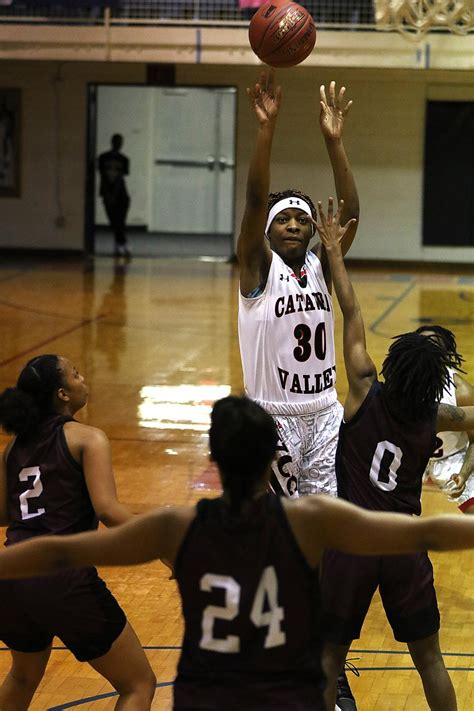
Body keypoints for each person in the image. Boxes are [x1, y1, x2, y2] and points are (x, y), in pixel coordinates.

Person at [1, 396, 474, 711]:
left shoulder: (177, 527)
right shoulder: (309, 520)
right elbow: (427, 534)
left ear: (214, 458)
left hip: (206, 691)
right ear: (272, 453)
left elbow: (60, 553)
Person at [313, 198, 469, 711]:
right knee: (429, 658)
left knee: (329, 658)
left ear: (394, 364)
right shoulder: (438, 418)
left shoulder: (363, 389)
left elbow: (352, 310)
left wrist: (334, 252)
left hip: (351, 542)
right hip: (405, 546)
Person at [237, 68, 359, 709]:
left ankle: (322, 663)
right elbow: (256, 202)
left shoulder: (320, 259)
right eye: (285, 218)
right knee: (278, 541)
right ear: (266, 230)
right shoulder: (255, 271)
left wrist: (334, 144)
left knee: (323, 541)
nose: (294, 224)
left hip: (324, 414)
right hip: (273, 421)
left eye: (301, 218)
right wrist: (267, 131)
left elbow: (350, 214)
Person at [0, 354, 156, 710]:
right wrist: (163, 540)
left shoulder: (12, 449)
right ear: (62, 394)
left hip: (9, 577)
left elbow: (5, 513)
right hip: (61, 578)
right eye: (75, 374)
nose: (84, 378)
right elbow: (108, 510)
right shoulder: (87, 438)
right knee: (138, 684)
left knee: (22, 677)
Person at [416, 325, 474, 513]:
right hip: (414, 456)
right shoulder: (401, 384)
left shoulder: (461, 393)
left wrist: (463, 475)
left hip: (455, 458)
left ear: (445, 357)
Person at [98, 133, 131, 258]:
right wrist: (107, 194)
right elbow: (102, 176)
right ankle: (122, 244)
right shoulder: (102, 157)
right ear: (112, 142)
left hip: (121, 194)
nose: (119, 144)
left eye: (120, 142)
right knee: (113, 222)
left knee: (120, 221)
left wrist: (114, 194)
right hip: (107, 194)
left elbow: (121, 178)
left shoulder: (125, 159)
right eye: (117, 142)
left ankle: (121, 246)